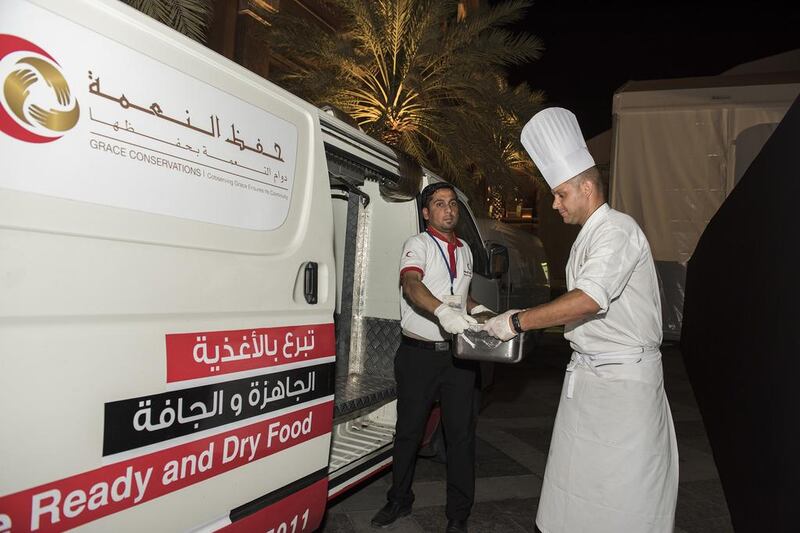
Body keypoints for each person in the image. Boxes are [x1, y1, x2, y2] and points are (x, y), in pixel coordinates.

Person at [484, 107, 678, 533]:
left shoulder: (617, 230)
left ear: (586, 187)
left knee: (620, 497)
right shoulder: (588, 237)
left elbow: (588, 299)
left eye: (560, 195)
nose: (554, 206)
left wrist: (517, 322)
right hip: (589, 383)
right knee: (573, 493)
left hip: (623, 389)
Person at [371, 181, 489, 533]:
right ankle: (398, 500)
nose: (449, 210)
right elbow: (411, 284)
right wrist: (441, 313)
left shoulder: (465, 250)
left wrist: (480, 310)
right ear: (426, 213)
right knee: (408, 432)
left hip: (459, 358)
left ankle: (459, 514)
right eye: (439, 204)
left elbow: (460, 295)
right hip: (418, 355)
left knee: (460, 436)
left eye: (452, 203)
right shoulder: (418, 244)